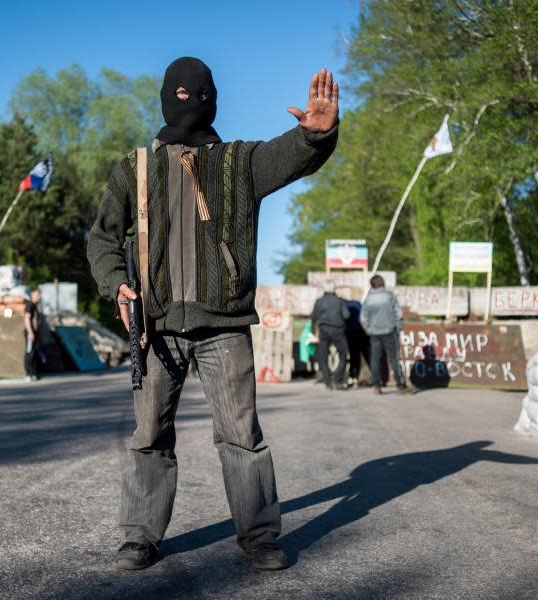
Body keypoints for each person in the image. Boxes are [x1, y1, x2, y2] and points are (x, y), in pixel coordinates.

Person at [87, 57, 339, 571]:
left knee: (241, 436)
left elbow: (289, 156)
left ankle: (261, 537)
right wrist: (117, 285)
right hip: (154, 329)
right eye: (179, 94)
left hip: (223, 325)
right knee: (149, 437)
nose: (189, 101)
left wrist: (315, 137)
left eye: (199, 94)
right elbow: (102, 239)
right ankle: (140, 536)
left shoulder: (238, 162)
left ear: (213, 100)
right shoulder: (137, 167)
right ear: (164, 97)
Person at [361, 274, 407, 394]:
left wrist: (368, 329)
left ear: (372, 285)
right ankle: (400, 385)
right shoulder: (389, 296)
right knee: (394, 359)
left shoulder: (368, 299)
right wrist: (399, 327)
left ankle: (377, 385)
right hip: (389, 331)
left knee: (375, 359)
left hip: (374, 333)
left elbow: (363, 317)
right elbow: (399, 313)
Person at [310, 281, 350, 390]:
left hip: (323, 330)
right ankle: (337, 378)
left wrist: (313, 332)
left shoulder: (319, 301)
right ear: (334, 289)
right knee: (343, 356)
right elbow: (346, 315)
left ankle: (328, 382)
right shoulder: (340, 301)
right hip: (338, 330)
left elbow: (313, 317)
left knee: (323, 356)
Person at [23, 287, 41, 382]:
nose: (39, 296)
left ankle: (33, 372)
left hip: (35, 333)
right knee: (29, 353)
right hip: (30, 333)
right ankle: (28, 373)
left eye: (39, 294)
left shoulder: (35, 305)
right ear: (32, 294)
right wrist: (30, 332)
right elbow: (27, 319)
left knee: (34, 353)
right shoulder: (29, 305)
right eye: (37, 294)